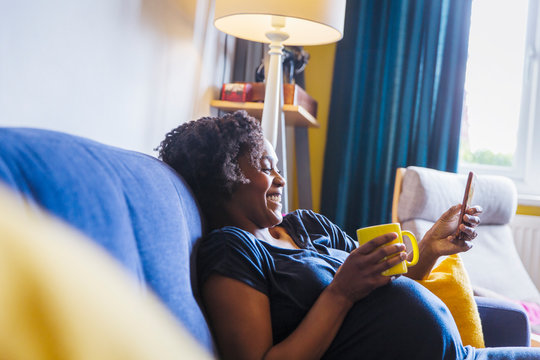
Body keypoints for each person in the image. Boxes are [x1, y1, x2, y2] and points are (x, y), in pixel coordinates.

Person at [157, 111, 540, 360]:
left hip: (463, 354)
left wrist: (428, 251)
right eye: (265, 167)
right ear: (226, 176)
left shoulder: (305, 224)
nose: (281, 179)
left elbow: (386, 282)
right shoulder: (232, 250)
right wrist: (340, 292)